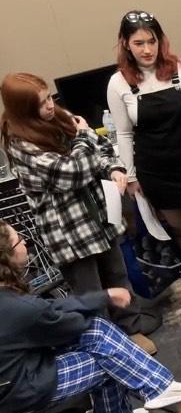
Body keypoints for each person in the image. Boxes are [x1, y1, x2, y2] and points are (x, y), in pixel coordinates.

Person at [1, 72, 159, 353]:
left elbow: (101, 149)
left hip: (99, 213)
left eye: (49, 97)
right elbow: (70, 173)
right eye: (41, 103)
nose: (50, 105)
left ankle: (132, 330)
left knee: (117, 273)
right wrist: (84, 136)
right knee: (91, 293)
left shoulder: (58, 117)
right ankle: (110, 344)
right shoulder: (19, 143)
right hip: (70, 230)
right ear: (23, 109)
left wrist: (113, 167)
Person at [0, 221, 181, 413]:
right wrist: (96, 306)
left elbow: (49, 310)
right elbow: (68, 324)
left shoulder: (8, 299)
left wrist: (102, 297)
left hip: (15, 377)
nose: (25, 243)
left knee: (107, 344)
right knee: (109, 355)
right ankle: (151, 394)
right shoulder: (16, 307)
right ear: (6, 256)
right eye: (19, 240)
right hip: (22, 389)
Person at [106, 10, 181, 273]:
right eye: (139, 43)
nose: (147, 50)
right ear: (125, 44)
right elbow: (124, 133)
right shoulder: (118, 83)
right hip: (157, 172)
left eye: (151, 41)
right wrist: (130, 177)